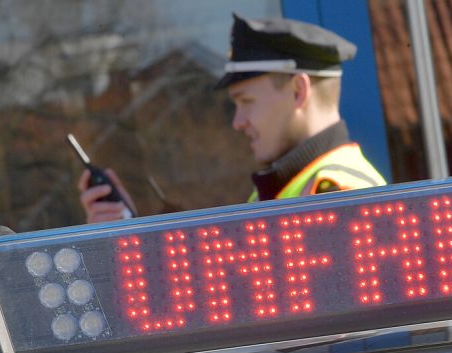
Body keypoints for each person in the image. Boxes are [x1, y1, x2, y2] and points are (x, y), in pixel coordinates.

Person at [78, 13, 387, 224]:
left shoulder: (340, 195)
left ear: (297, 91)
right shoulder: (280, 192)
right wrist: (130, 231)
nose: (238, 122)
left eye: (247, 102)